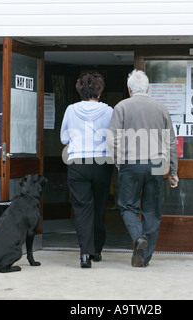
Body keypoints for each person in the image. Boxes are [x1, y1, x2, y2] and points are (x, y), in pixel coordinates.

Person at [107, 69, 179, 267]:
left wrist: (118, 161)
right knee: (152, 210)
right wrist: (173, 171)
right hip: (156, 164)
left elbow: (111, 139)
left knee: (127, 206)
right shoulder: (161, 108)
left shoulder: (121, 107)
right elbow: (171, 143)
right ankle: (145, 258)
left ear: (129, 89)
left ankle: (138, 237)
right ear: (148, 88)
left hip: (131, 164)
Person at [60, 72, 113, 268]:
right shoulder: (109, 111)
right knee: (99, 207)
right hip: (102, 162)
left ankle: (85, 254)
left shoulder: (71, 110)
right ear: (99, 91)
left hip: (77, 162)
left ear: (80, 90)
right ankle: (97, 250)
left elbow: (64, 139)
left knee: (82, 208)